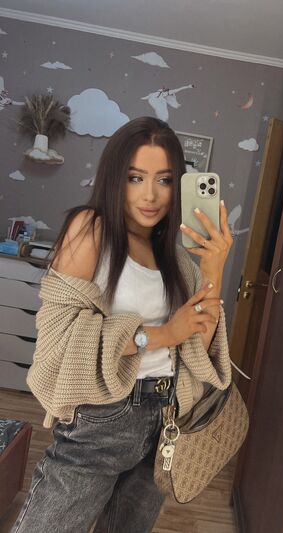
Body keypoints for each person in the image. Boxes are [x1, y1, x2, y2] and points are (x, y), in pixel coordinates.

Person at [11, 116, 233, 533]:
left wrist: (213, 268)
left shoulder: (174, 257)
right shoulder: (91, 229)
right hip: (104, 414)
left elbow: (197, 349)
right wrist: (164, 334)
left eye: (164, 180)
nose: (150, 194)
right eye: (135, 178)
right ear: (115, 178)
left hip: (165, 418)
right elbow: (60, 336)